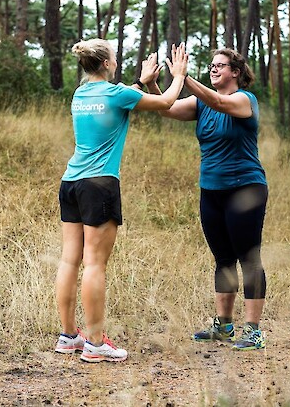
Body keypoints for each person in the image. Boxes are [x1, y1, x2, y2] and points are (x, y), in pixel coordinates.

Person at [55, 39, 189, 363]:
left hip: (71, 182)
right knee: (95, 263)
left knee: (69, 261)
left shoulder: (80, 94)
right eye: (114, 58)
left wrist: (142, 81)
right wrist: (180, 75)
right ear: (106, 64)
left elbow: (120, 99)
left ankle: (69, 336)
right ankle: (97, 343)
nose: (116, 62)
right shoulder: (117, 95)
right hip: (100, 184)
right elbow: (168, 101)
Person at [147, 48, 268, 351]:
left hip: (245, 188)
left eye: (220, 66)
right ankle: (224, 326)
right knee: (223, 259)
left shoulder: (244, 100)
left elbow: (219, 101)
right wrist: (151, 84)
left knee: (248, 258)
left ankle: (253, 330)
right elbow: (166, 109)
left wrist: (183, 77)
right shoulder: (201, 105)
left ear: (236, 72)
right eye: (211, 65)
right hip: (211, 190)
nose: (213, 70)